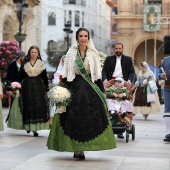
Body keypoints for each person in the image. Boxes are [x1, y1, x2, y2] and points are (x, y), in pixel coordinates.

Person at [47, 27, 116, 159]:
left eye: (85, 36)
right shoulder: (71, 53)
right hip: (74, 88)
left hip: (90, 89)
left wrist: (102, 91)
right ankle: (75, 148)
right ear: (77, 38)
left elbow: (97, 75)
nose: (83, 38)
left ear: (88, 38)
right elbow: (66, 74)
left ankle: (83, 148)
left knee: (90, 118)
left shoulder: (93, 54)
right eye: (81, 36)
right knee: (72, 119)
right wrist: (62, 91)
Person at [102, 42, 135, 139]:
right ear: (114, 49)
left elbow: (132, 71)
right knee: (109, 101)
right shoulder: (109, 59)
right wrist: (104, 80)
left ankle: (122, 126)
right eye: (116, 48)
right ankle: (111, 124)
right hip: (111, 82)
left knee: (124, 101)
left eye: (120, 48)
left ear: (122, 49)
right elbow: (104, 71)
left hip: (124, 82)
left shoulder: (128, 59)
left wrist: (129, 80)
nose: (118, 50)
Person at [17, 45, 50, 136]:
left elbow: (44, 77)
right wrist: (16, 84)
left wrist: (47, 88)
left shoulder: (41, 63)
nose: (34, 54)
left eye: (35, 52)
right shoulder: (25, 62)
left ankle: (34, 128)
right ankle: (28, 126)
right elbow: (20, 75)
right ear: (29, 53)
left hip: (38, 86)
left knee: (37, 105)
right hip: (27, 86)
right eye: (32, 52)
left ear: (38, 53)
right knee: (28, 105)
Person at [6, 50, 25, 122]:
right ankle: (11, 120)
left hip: (22, 87)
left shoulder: (24, 65)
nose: (24, 58)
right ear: (20, 56)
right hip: (13, 87)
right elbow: (8, 77)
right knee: (13, 104)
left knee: (22, 104)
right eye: (23, 56)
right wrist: (9, 89)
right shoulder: (11, 64)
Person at [158, 56, 170, 142]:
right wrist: (161, 75)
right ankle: (168, 132)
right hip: (167, 88)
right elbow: (159, 73)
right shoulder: (165, 60)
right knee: (167, 110)